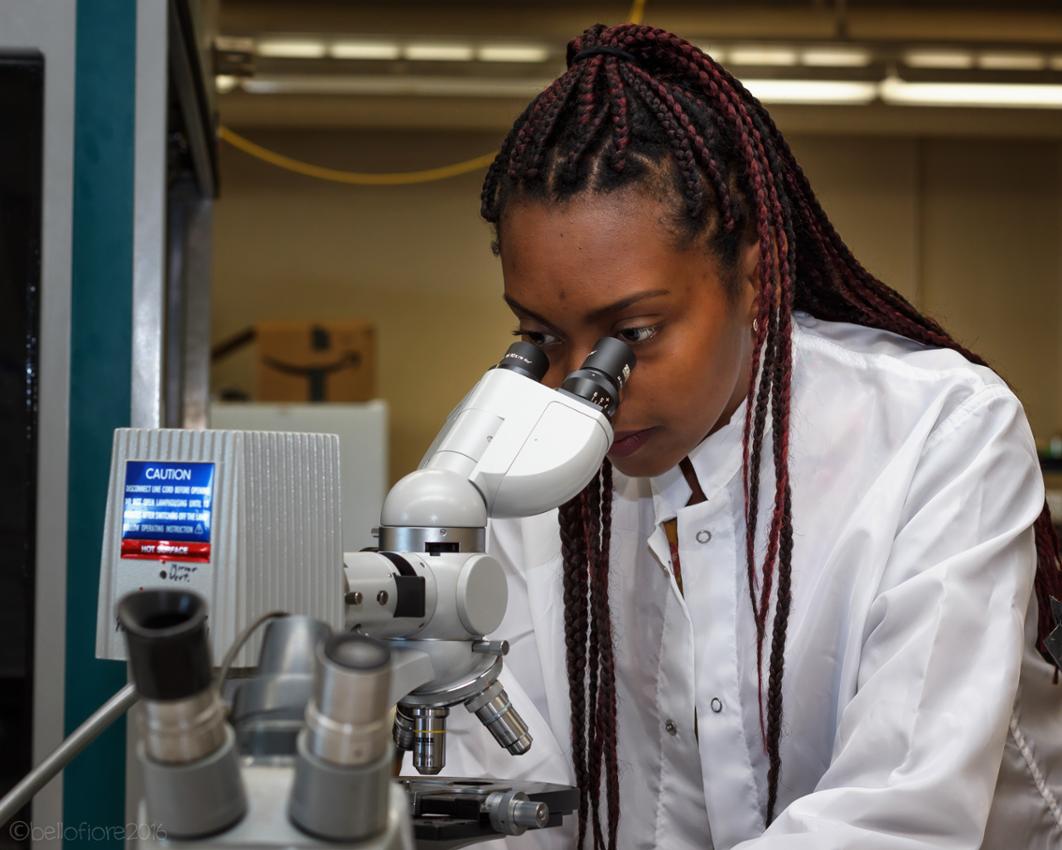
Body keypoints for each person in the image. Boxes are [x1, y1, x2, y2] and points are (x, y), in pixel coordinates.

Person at [439, 23, 1062, 849]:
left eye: (636, 332)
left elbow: (901, 811)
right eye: (542, 335)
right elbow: (503, 797)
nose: (591, 394)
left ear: (754, 277)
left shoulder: (938, 430)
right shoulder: (510, 457)